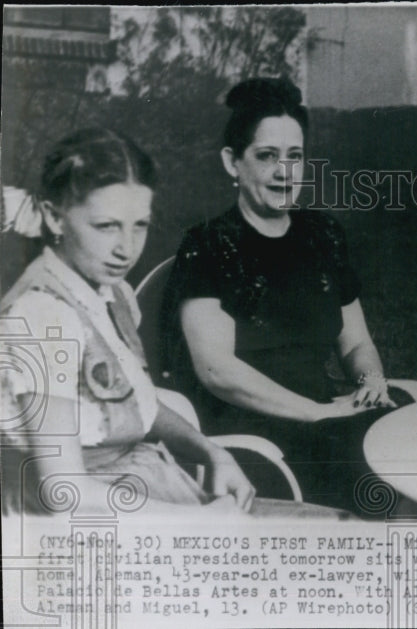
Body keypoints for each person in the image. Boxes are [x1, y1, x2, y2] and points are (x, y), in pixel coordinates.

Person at [0, 128, 342, 517]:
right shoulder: (44, 315)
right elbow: (62, 490)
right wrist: (197, 521)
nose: (125, 248)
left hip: (145, 491)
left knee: (339, 526)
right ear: (53, 217)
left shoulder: (108, 293)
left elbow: (133, 400)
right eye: (106, 226)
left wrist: (211, 452)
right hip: (86, 525)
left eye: (139, 225)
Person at [160, 78, 417, 515]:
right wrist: (314, 413)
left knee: (415, 424)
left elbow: (356, 342)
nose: (285, 172)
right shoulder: (208, 244)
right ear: (233, 162)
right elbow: (216, 370)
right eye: (266, 156)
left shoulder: (321, 234)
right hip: (253, 424)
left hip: (324, 411)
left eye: (295, 156)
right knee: (378, 462)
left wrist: (371, 384)